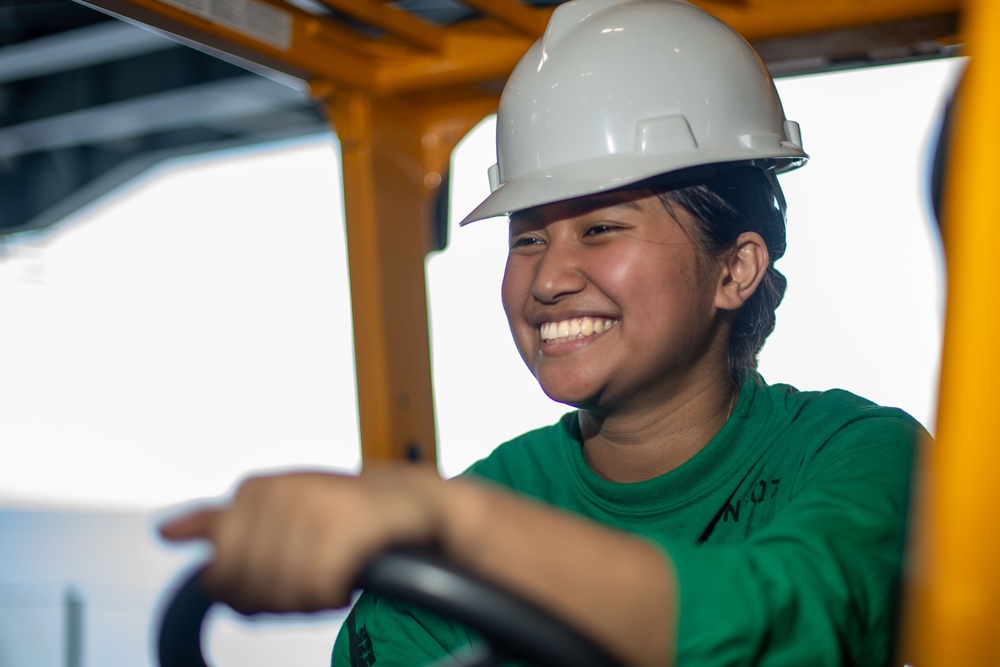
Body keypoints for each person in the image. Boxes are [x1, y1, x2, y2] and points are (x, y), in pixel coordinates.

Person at [159, 1, 926, 665]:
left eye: (600, 226)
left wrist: (455, 529)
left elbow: (802, 622)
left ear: (735, 269)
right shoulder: (483, 506)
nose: (548, 278)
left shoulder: (860, 456)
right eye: (526, 238)